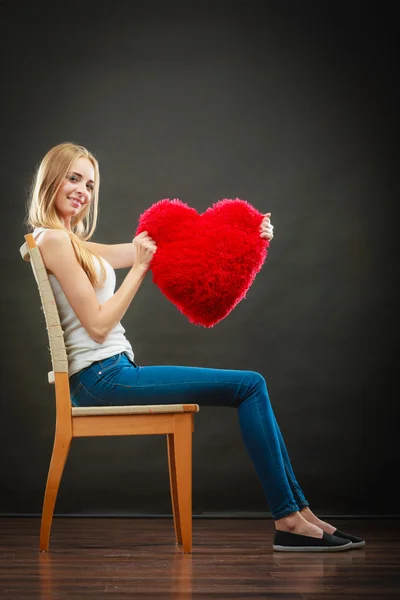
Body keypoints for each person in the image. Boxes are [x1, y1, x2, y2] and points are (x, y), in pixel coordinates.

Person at [26, 142, 364, 552]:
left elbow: (146, 250)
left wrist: (249, 234)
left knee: (250, 386)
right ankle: (290, 518)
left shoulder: (67, 241)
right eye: (74, 178)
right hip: (102, 377)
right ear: (52, 178)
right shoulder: (55, 242)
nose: (83, 190)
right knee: (250, 385)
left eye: (91, 184)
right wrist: (138, 268)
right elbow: (98, 326)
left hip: (110, 372)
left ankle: (301, 513)